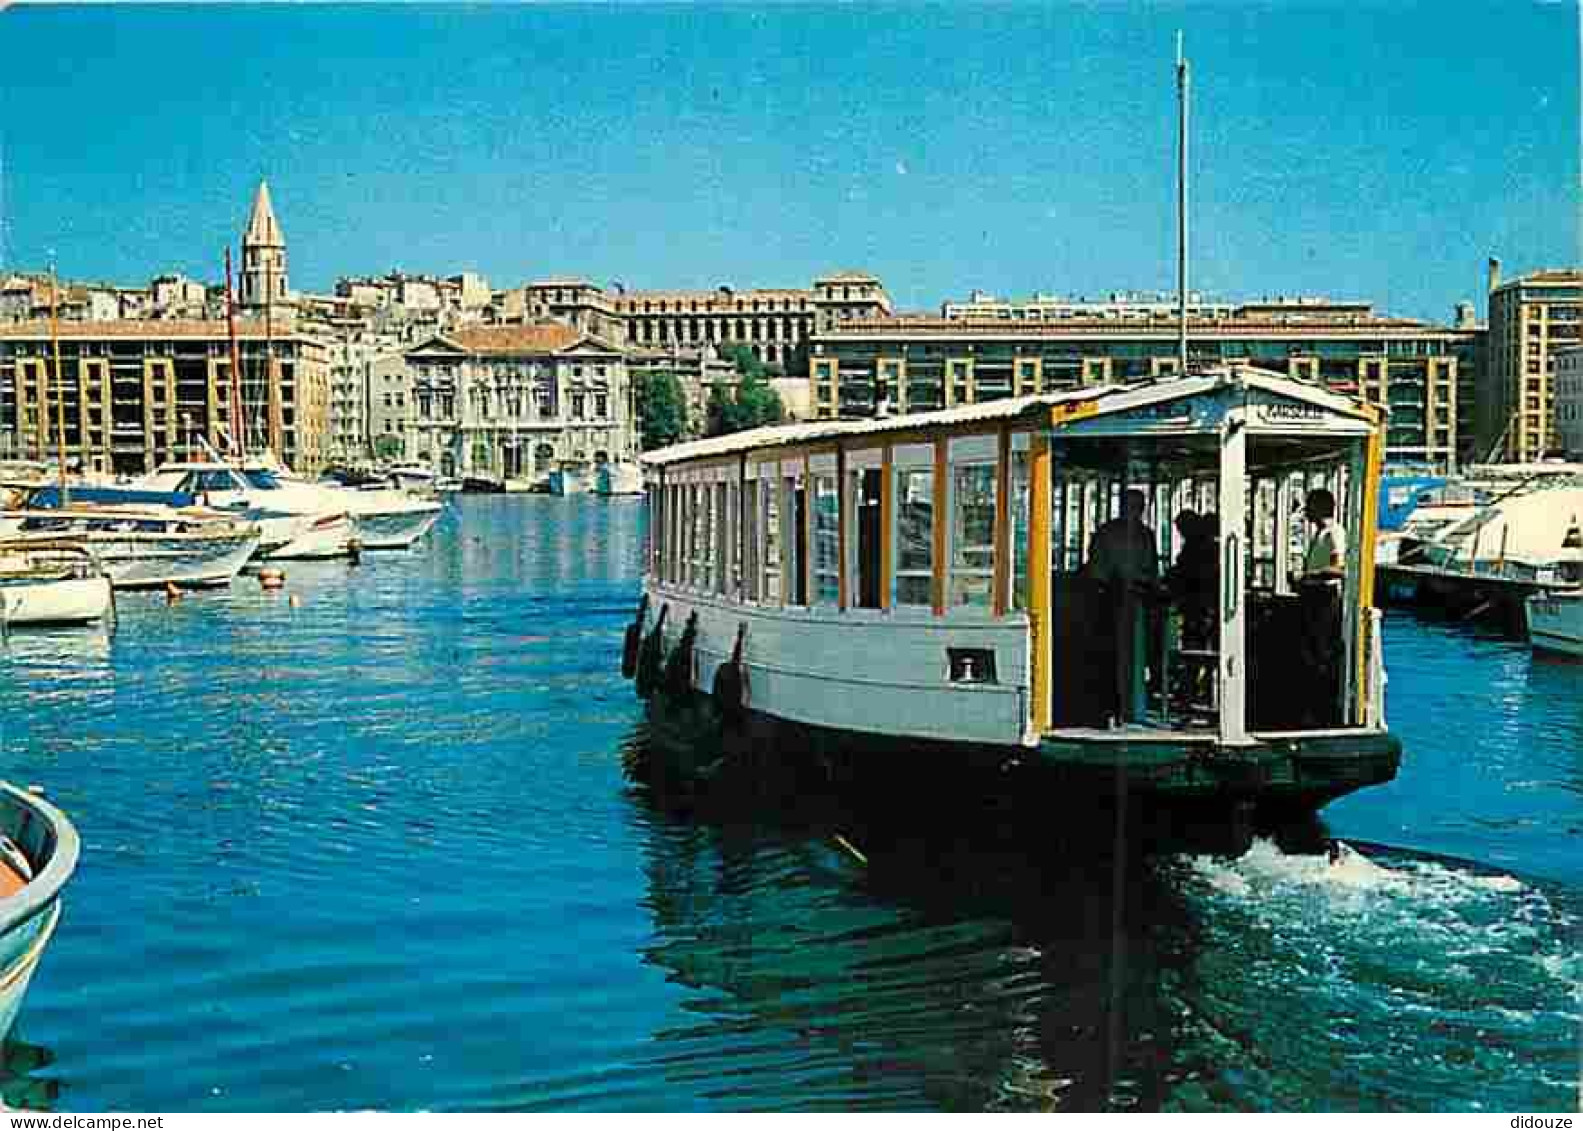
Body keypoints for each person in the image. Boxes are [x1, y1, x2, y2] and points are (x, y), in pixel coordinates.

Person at [1085, 489, 1159, 724]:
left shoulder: (1112, 533)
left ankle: (1123, 708)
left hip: (1127, 601)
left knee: (1125, 655)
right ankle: (1123, 708)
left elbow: (1096, 570)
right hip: (1116, 601)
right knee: (1123, 655)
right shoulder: (1139, 535)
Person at [1297, 488, 1346, 726]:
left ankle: (1322, 708)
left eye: (1309, 505)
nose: (1305, 510)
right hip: (1314, 596)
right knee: (1311, 653)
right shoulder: (1320, 534)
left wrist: (1309, 576)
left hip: (1325, 598)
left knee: (1321, 653)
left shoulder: (1334, 533)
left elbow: (1339, 568)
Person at [1166, 509, 1218, 650]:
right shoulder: (1202, 544)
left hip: (1197, 600)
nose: (1181, 534)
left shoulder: (1196, 545)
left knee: (1195, 634)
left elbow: (1188, 570)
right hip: (1201, 599)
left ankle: (1194, 663)